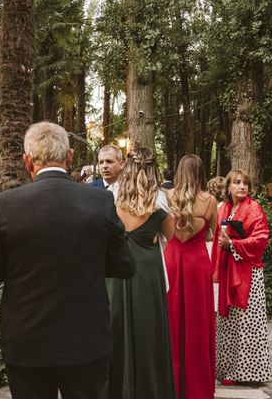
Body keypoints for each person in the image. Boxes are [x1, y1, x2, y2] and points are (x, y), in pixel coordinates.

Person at [0, 121, 135, 399]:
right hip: (85, 337)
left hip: (27, 338)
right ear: (69, 156)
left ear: (27, 161)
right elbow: (125, 264)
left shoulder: (6, 204)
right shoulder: (99, 201)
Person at [107, 147, 176, 399]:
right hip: (146, 272)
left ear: (127, 168)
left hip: (115, 269)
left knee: (115, 329)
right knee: (149, 333)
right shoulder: (159, 199)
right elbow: (172, 235)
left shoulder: (112, 195)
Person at [164, 154, 217, 399]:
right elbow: (212, 235)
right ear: (201, 173)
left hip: (172, 261)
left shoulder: (166, 197)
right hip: (197, 265)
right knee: (198, 323)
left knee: (172, 321)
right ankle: (197, 388)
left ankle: (171, 384)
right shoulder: (210, 201)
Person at [211, 169, 271, 385]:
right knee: (228, 321)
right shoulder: (224, 208)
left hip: (248, 272)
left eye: (245, 183)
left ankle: (249, 372)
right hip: (227, 269)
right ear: (228, 187)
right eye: (237, 182)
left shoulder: (254, 209)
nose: (242, 187)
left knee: (247, 322)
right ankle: (226, 368)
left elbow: (261, 239)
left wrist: (234, 244)